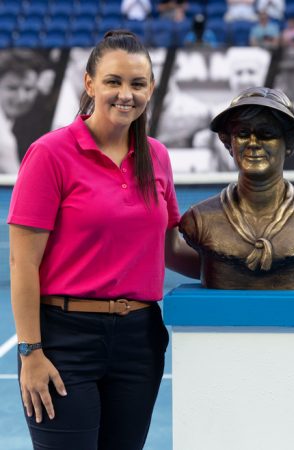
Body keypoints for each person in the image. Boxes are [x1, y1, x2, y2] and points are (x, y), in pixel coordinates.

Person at [8, 30, 200, 449]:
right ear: (90, 83)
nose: (125, 94)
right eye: (113, 81)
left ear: (151, 87)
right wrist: (31, 352)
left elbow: (169, 247)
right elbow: (23, 264)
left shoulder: (157, 156)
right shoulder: (50, 154)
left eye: (137, 83)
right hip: (64, 341)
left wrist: (243, 268)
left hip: (139, 340)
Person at [179, 87, 294, 290]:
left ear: (289, 143)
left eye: (266, 134)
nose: (253, 143)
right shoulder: (198, 220)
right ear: (228, 143)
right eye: (242, 133)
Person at [0, 50, 55, 173]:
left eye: (28, 89)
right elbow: (17, 186)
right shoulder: (4, 141)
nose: (21, 97)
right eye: (12, 88)